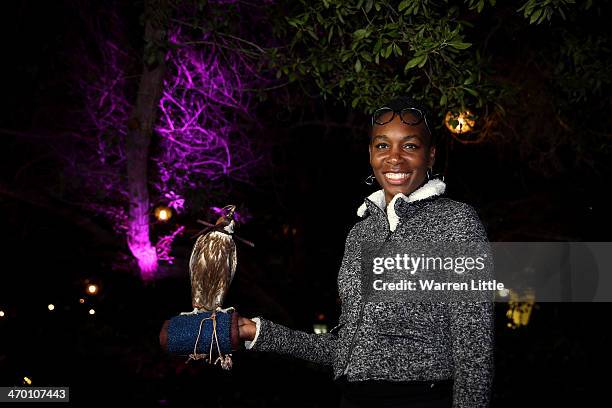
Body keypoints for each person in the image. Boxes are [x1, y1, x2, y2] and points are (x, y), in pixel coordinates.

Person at [237, 96, 494, 408]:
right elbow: (344, 349)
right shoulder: (361, 234)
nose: (394, 158)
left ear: (431, 155)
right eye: (382, 145)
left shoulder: (457, 222)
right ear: (371, 154)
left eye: (410, 146)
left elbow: (475, 350)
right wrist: (260, 333)